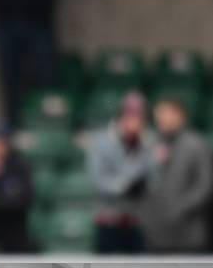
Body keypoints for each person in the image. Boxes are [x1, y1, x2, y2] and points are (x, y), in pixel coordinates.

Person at [140, 98, 212, 253]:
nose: (162, 119)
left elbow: (205, 185)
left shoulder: (196, 145)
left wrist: (181, 207)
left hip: (189, 233)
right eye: (159, 115)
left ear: (181, 116)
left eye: (167, 114)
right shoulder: (151, 144)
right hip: (157, 234)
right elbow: (141, 182)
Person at [87, 92, 155, 254]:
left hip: (136, 221)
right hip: (108, 221)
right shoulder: (101, 142)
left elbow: (154, 179)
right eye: (130, 114)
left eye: (139, 115)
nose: (134, 120)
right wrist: (126, 184)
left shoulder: (147, 142)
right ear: (121, 116)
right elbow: (98, 181)